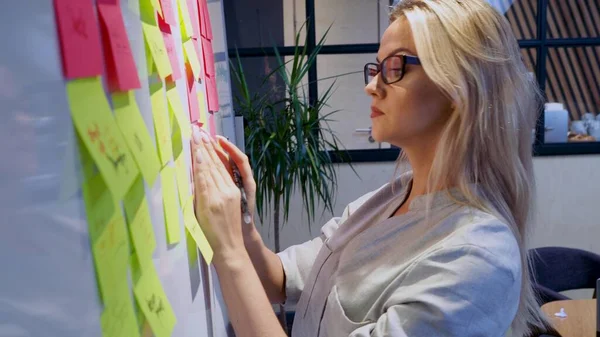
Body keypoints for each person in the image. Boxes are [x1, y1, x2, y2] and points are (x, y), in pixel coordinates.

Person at [190, 0, 552, 336]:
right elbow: (281, 279)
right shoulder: (391, 199)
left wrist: (229, 251)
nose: (371, 86)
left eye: (395, 68)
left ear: (459, 88)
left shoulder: (477, 256)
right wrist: (243, 227)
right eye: (376, 67)